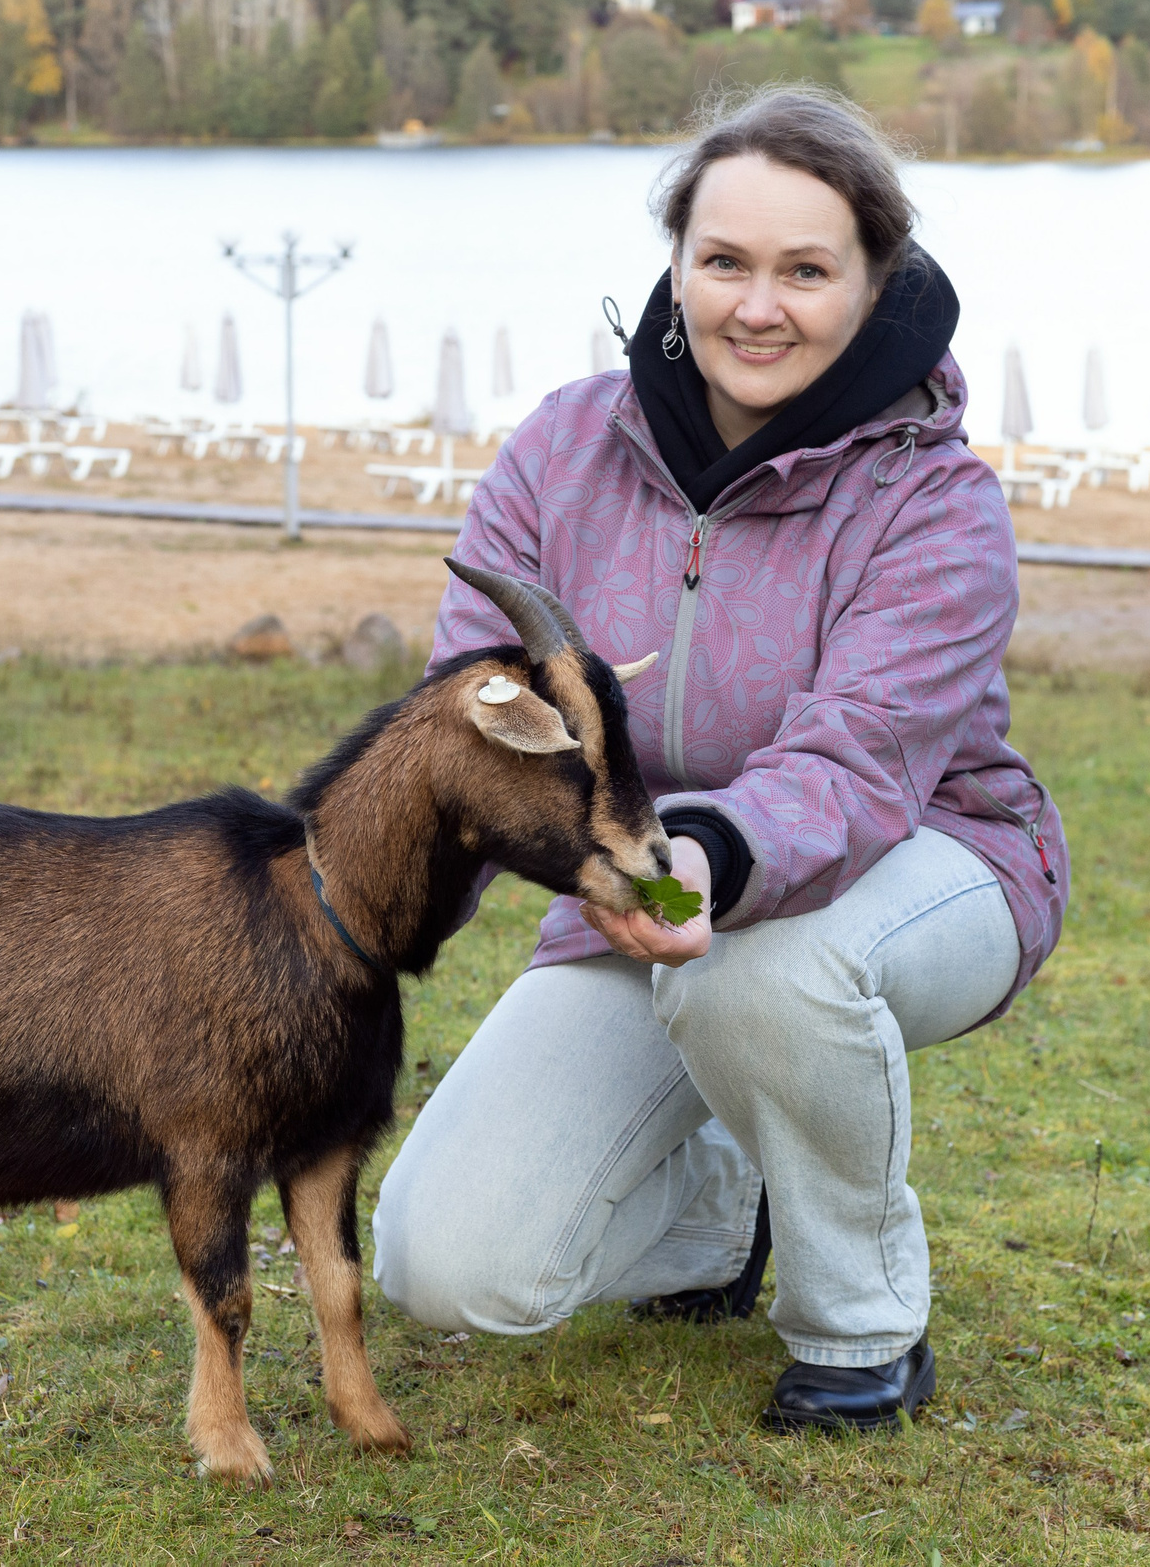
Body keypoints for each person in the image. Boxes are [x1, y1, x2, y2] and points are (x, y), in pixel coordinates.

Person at [371, 86, 1068, 1432]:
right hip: (640, 886)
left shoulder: (936, 500)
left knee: (771, 969)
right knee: (447, 1268)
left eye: (808, 270)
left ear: (875, 282)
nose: (759, 305)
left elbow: (859, 767)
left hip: (933, 861)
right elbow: (477, 701)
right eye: (726, 262)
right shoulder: (561, 449)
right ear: (678, 265)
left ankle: (860, 1322)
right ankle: (714, 1218)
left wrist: (687, 868)